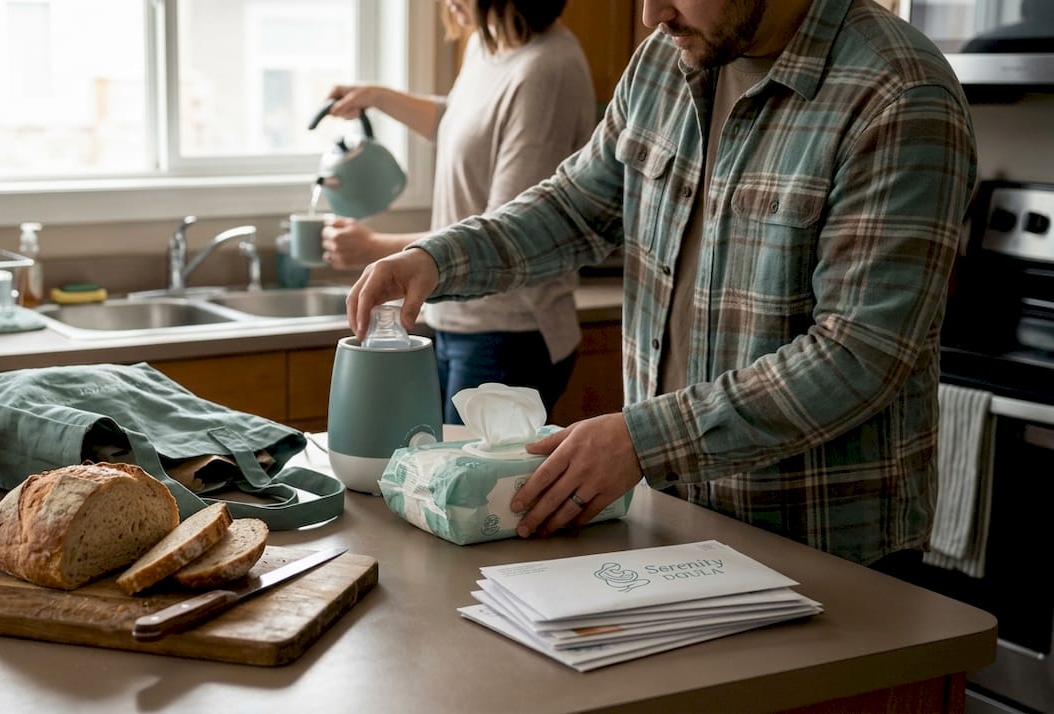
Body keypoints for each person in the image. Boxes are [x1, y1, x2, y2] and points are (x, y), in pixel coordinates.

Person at [346, 0, 978, 570]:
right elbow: (574, 207)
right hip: (676, 527)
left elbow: (857, 355)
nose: (651, 13)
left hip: (825, 556)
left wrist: (641, 439)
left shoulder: (898, 93)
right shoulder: (665, 60)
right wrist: (434, 257)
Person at [318, 0, 597, 425]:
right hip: (454, 317)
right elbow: (462, 123)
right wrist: (376, 96)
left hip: (510, 332)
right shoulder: (487, 45)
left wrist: (375, 248)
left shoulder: (546, 70)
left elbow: (511, 228)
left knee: (466, 486)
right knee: (436, 475)